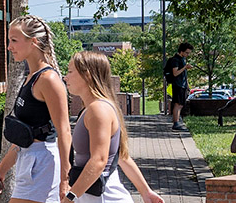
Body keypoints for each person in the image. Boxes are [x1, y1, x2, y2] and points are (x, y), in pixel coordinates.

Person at [0, 15, 72, 203]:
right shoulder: (31, 78)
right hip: (29, 159)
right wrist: (0, 171)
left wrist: (65, 180)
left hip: (42, 162)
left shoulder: (48, 80)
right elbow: (25, 134)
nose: (9, 47)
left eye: (14, 40)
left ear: (33, 41)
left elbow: (65, 131)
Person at [63, 51, 164, 203]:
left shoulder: (98, 109)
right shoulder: (91, 108)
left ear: (87, 75)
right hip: (94, 195)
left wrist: (70, 198)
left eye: (70, 72)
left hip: (103, 196)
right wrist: (146, 192)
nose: (66, 77)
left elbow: (99, 160)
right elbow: (122, 156)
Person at [164, 43, 194, 131]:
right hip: (178, 85)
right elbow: (175, 73)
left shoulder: (182, 59)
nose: (188, 55)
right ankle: (176, 123)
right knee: (178, 104)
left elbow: (184, 75)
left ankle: (177, 121)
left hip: (183, 84)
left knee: (181, 104)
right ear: (181, 51)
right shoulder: (175, 60)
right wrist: (185, 67)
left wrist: (187, 85)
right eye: (187, 53)